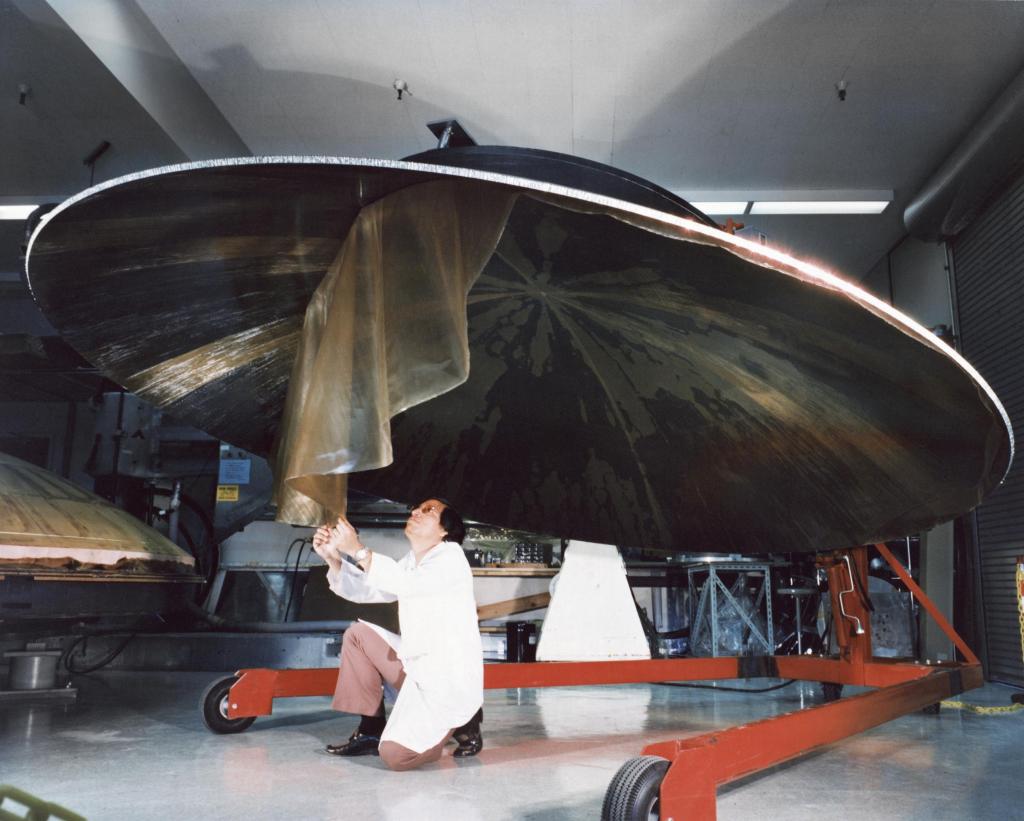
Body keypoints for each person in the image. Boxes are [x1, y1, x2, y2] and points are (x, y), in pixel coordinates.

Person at [311, 498, 484, 770]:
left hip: (444, 679)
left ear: (444, 531)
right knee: (358, 635)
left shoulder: (451, 558)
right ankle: (370, 729)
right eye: (416, 508)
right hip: (418, 665)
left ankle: (461, 722)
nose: (415, 512)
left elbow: (404, 583)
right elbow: (370, 589)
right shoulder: (413, 560)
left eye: (429, 511)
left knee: (396, 757)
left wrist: (357, 549)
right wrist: (333, 558)